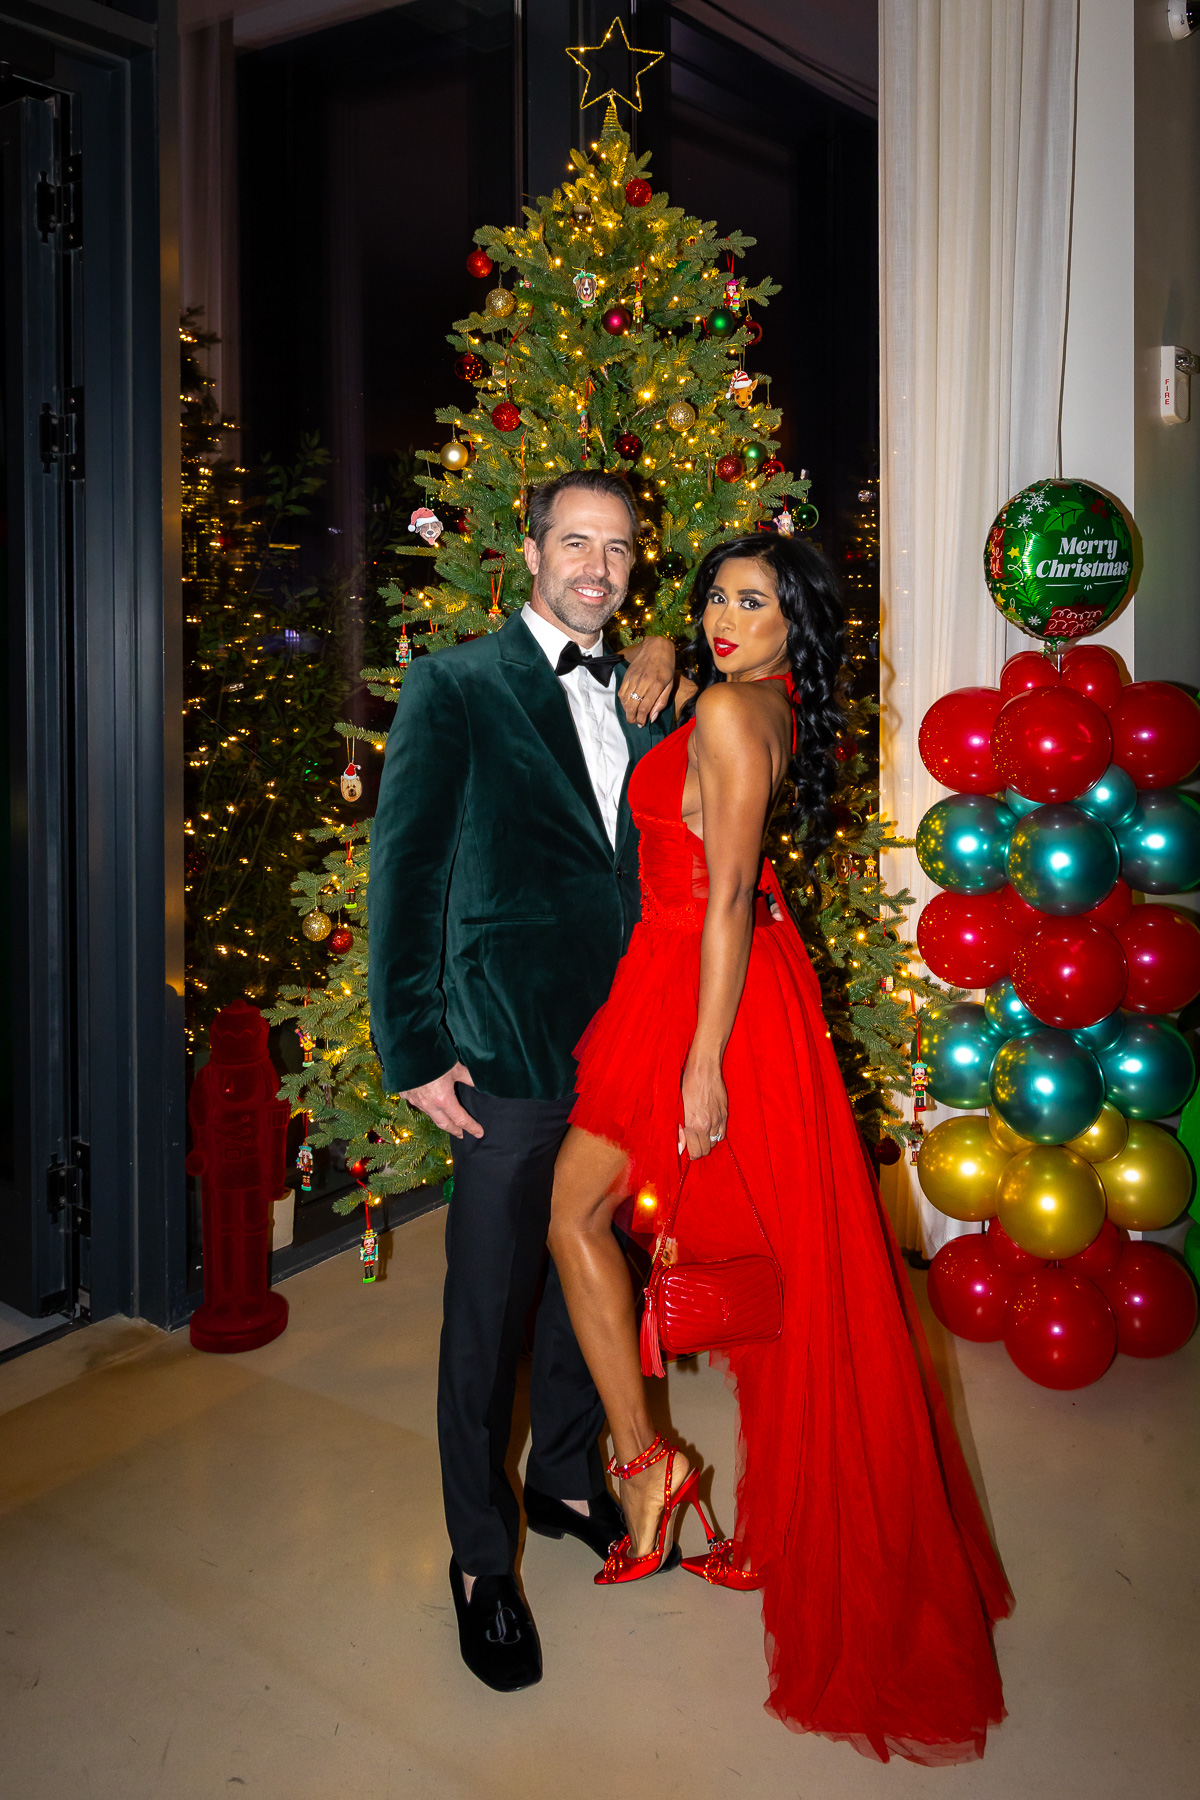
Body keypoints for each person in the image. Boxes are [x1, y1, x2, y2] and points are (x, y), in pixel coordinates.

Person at [547, 534, 1013, 1765]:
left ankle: (650, 1469)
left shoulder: (735, 714)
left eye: (752, 600)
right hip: (708, 981)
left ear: (794, 623)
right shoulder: (762, 701)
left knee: (574, 1219)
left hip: (709, 996)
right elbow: (712, 747)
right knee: (775, 1277)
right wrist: (662, 647)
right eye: (712, 596)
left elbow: (737, 887)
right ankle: (766, 1516)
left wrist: (700, 1058)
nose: (719, 614)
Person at [367, 469, 687, 1695]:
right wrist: (410, 1048)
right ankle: (477, 1558)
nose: (596, 567)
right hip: (501, 1045)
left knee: (593, 1268)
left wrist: (663, 647)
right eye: (575, 542)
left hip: (625, 1046)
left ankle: (562, 1472)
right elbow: (405, 874)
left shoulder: (653, 688)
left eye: (616, 548)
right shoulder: (454, 685)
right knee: (486, 1312)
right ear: (531, 547)